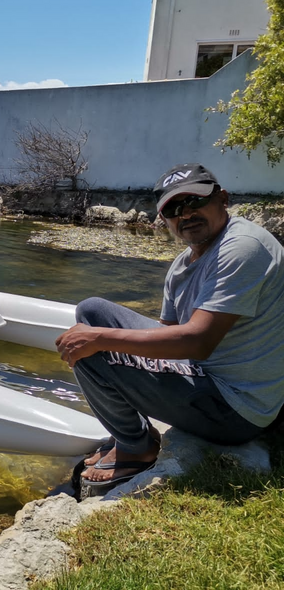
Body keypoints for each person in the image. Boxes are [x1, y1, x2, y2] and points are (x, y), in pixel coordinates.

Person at [55, 163, 284, 491]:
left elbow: (198, 342)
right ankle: (131, 433)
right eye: (174, 208)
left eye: (195, 202)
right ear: (163, 218)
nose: (186, 214)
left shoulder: (242, 247)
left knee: (90, 351)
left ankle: (137, 447)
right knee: (91, 311)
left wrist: (101, 341)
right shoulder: (183, 264)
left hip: (237, 409)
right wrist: (107, 342)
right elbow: (164, 335)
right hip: (208, 379)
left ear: (223, 198)